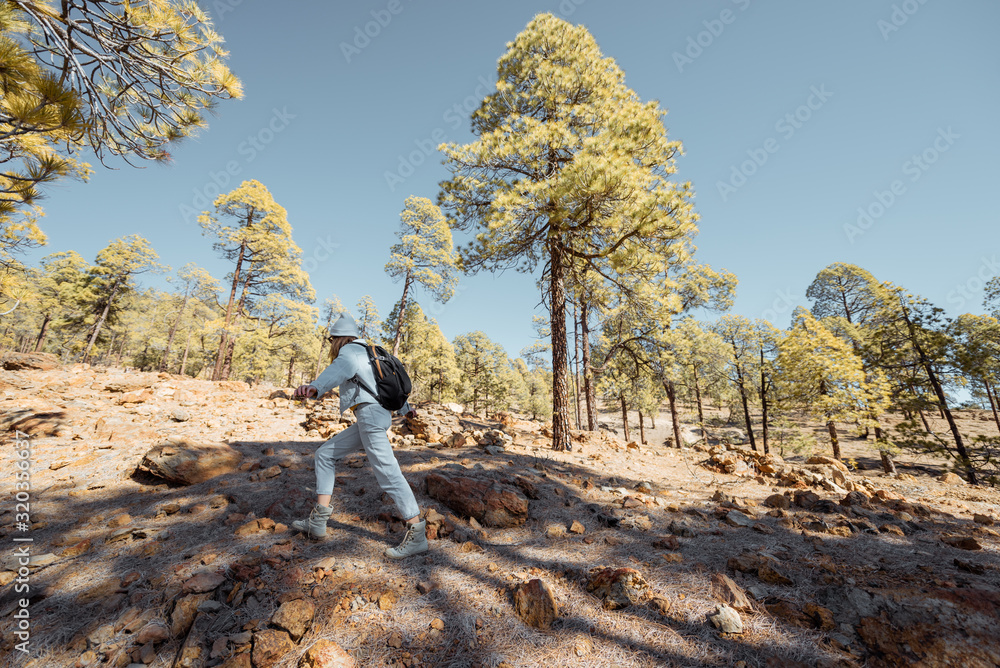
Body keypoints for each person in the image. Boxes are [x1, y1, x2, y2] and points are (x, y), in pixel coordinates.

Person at [291, 312, 428, 559]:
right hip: (377, 416)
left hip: (370, 417)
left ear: (337, 339)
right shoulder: (375, 351)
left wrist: (315, 387)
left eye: (332, 341)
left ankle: (417, 534)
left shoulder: (350, 353)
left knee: (388, 473)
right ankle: (318, 522)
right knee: (324, 455)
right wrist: (406, 409)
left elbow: (338, 370)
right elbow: (390, 381)